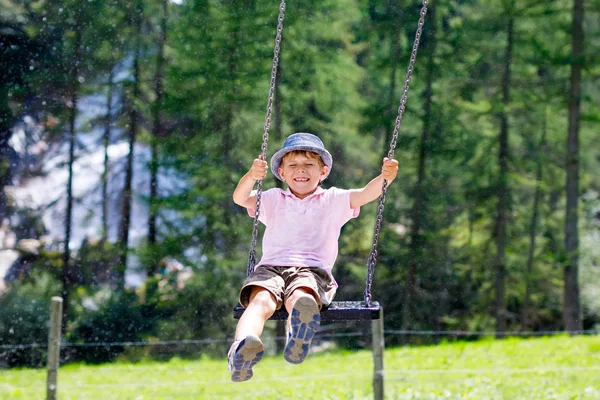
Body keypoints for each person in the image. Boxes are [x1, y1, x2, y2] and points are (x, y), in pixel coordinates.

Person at [228, 132, 398, 382]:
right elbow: (240, 198)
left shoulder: (334, 199)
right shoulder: (273, 198)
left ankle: (296, 338)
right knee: (260, 301)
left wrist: (385, 177)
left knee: (301, 297)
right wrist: (251, 177)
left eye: (309, 165)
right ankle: (243, 347)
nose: (301, 171)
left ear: (323, 171)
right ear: (282, 173)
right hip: (271, 269)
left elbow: (365, 194)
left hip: (312, 270)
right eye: (293, 166)